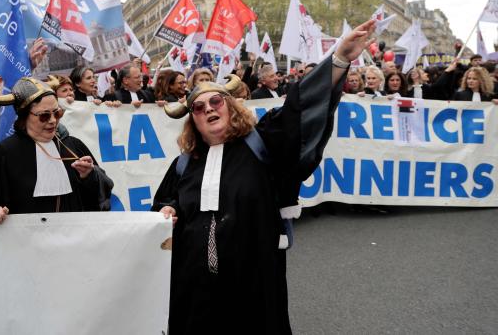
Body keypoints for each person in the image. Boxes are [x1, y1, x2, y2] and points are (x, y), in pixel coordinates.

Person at [152, 19, 377, 335]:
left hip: (253, 282)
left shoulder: (263, 143)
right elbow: (165, 202)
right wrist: (168, 210)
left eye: (216, 102)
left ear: (230, 107)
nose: (209, 110)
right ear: (194, 123)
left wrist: (340, 58)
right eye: (199, 108)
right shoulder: (185, 164)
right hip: (195, 290)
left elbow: (300, 108)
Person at [0, 77, 113, 223]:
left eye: (57, 113)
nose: (53, 120)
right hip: (24, 244)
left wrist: (90, 176)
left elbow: (101, 195)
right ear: (24, 116)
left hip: (72, 242)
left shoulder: (73, 146)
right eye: (44, 116)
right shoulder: (1, 155)